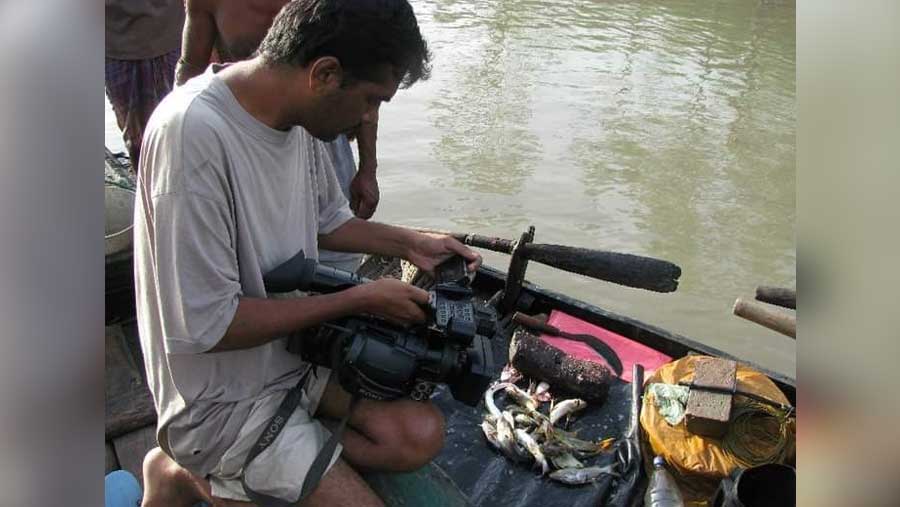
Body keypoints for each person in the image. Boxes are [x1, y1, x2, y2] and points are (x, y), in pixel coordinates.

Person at [133, 1, 481, 506]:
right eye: (370, 100)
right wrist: (359, 299)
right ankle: (191, 467)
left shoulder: (297, 117)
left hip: (289, 357)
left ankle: (195, 473)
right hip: (218, 400)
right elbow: (209, 326)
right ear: (324, 73)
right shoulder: (192, 135)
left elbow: (326, 220)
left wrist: (412, 243)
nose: (367, 118)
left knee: (419, 433)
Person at [177, 0, 381, 273]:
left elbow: (367, 86)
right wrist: (179, 141)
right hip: (242, 139)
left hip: (325, 132)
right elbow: (190, 67)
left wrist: (368, 168)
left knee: (337, 253)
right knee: (254, 258)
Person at [105, 0, 185, 169]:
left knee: (176, 129)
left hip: (168, 33)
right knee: (135, 139)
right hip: (116, 41)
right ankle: (145, 185)